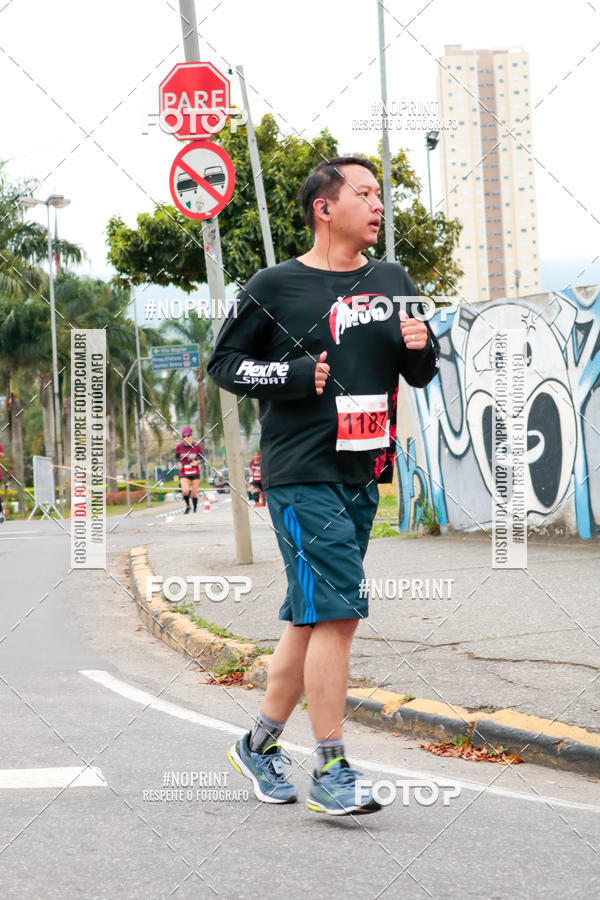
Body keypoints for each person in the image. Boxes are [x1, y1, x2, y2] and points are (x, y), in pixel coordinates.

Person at [207, 156, 439, 815]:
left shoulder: (392, 279)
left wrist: (422, 347)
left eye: (379, 195)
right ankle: (332, 767)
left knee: (312, 618)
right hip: (299, 471)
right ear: (324, 208)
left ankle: (259, 744)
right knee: (338, 610)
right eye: (365, 193)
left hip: (362, 472)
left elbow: (420, 372)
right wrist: (289, 376)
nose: (378, 205)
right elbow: (223, 363)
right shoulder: (275, 286)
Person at [174, 427, 204, 514]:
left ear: (191, 436)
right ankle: (188, 506)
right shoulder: (179, 447)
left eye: (188, 436)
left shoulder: (197, 446)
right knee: (185, 491)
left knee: (194, 493)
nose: (186, 438)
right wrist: (178, 463)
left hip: (195, 472)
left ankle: (195, 508)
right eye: (184, 436)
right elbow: (176, 457)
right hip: (184, 472)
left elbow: (202, 458)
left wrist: (198, 462)